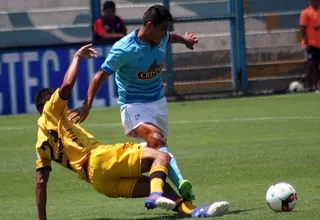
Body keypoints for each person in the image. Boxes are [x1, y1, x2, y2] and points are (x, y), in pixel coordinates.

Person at [35, 44, 229, 220]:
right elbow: (67, 86)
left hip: (98, 182)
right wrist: (77, 57)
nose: (64, 103)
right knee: (161, 157)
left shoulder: (40, 143)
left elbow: (41, 183)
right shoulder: (51, 109)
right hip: (100, 158)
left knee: (159, 181)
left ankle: (194, 211)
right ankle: (155, 196)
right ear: (49, 100)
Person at [68, 5, 199, 201]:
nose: (166, 32)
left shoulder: (161, 36)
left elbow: (171, 37)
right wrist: (87, 104)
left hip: (158, 102)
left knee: (156, 147)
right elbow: (99, 76)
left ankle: (150, 179)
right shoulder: (124, 48)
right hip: (133, 105)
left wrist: (186, 41)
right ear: (149, 25)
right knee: (157, 140)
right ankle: (180, 184)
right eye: (163, 28)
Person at [300, 0, 320, 92]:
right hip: (312, 44)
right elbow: (302, 28)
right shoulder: (306, 12)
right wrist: (306, 42)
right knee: (312, 65)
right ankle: (313, 86)